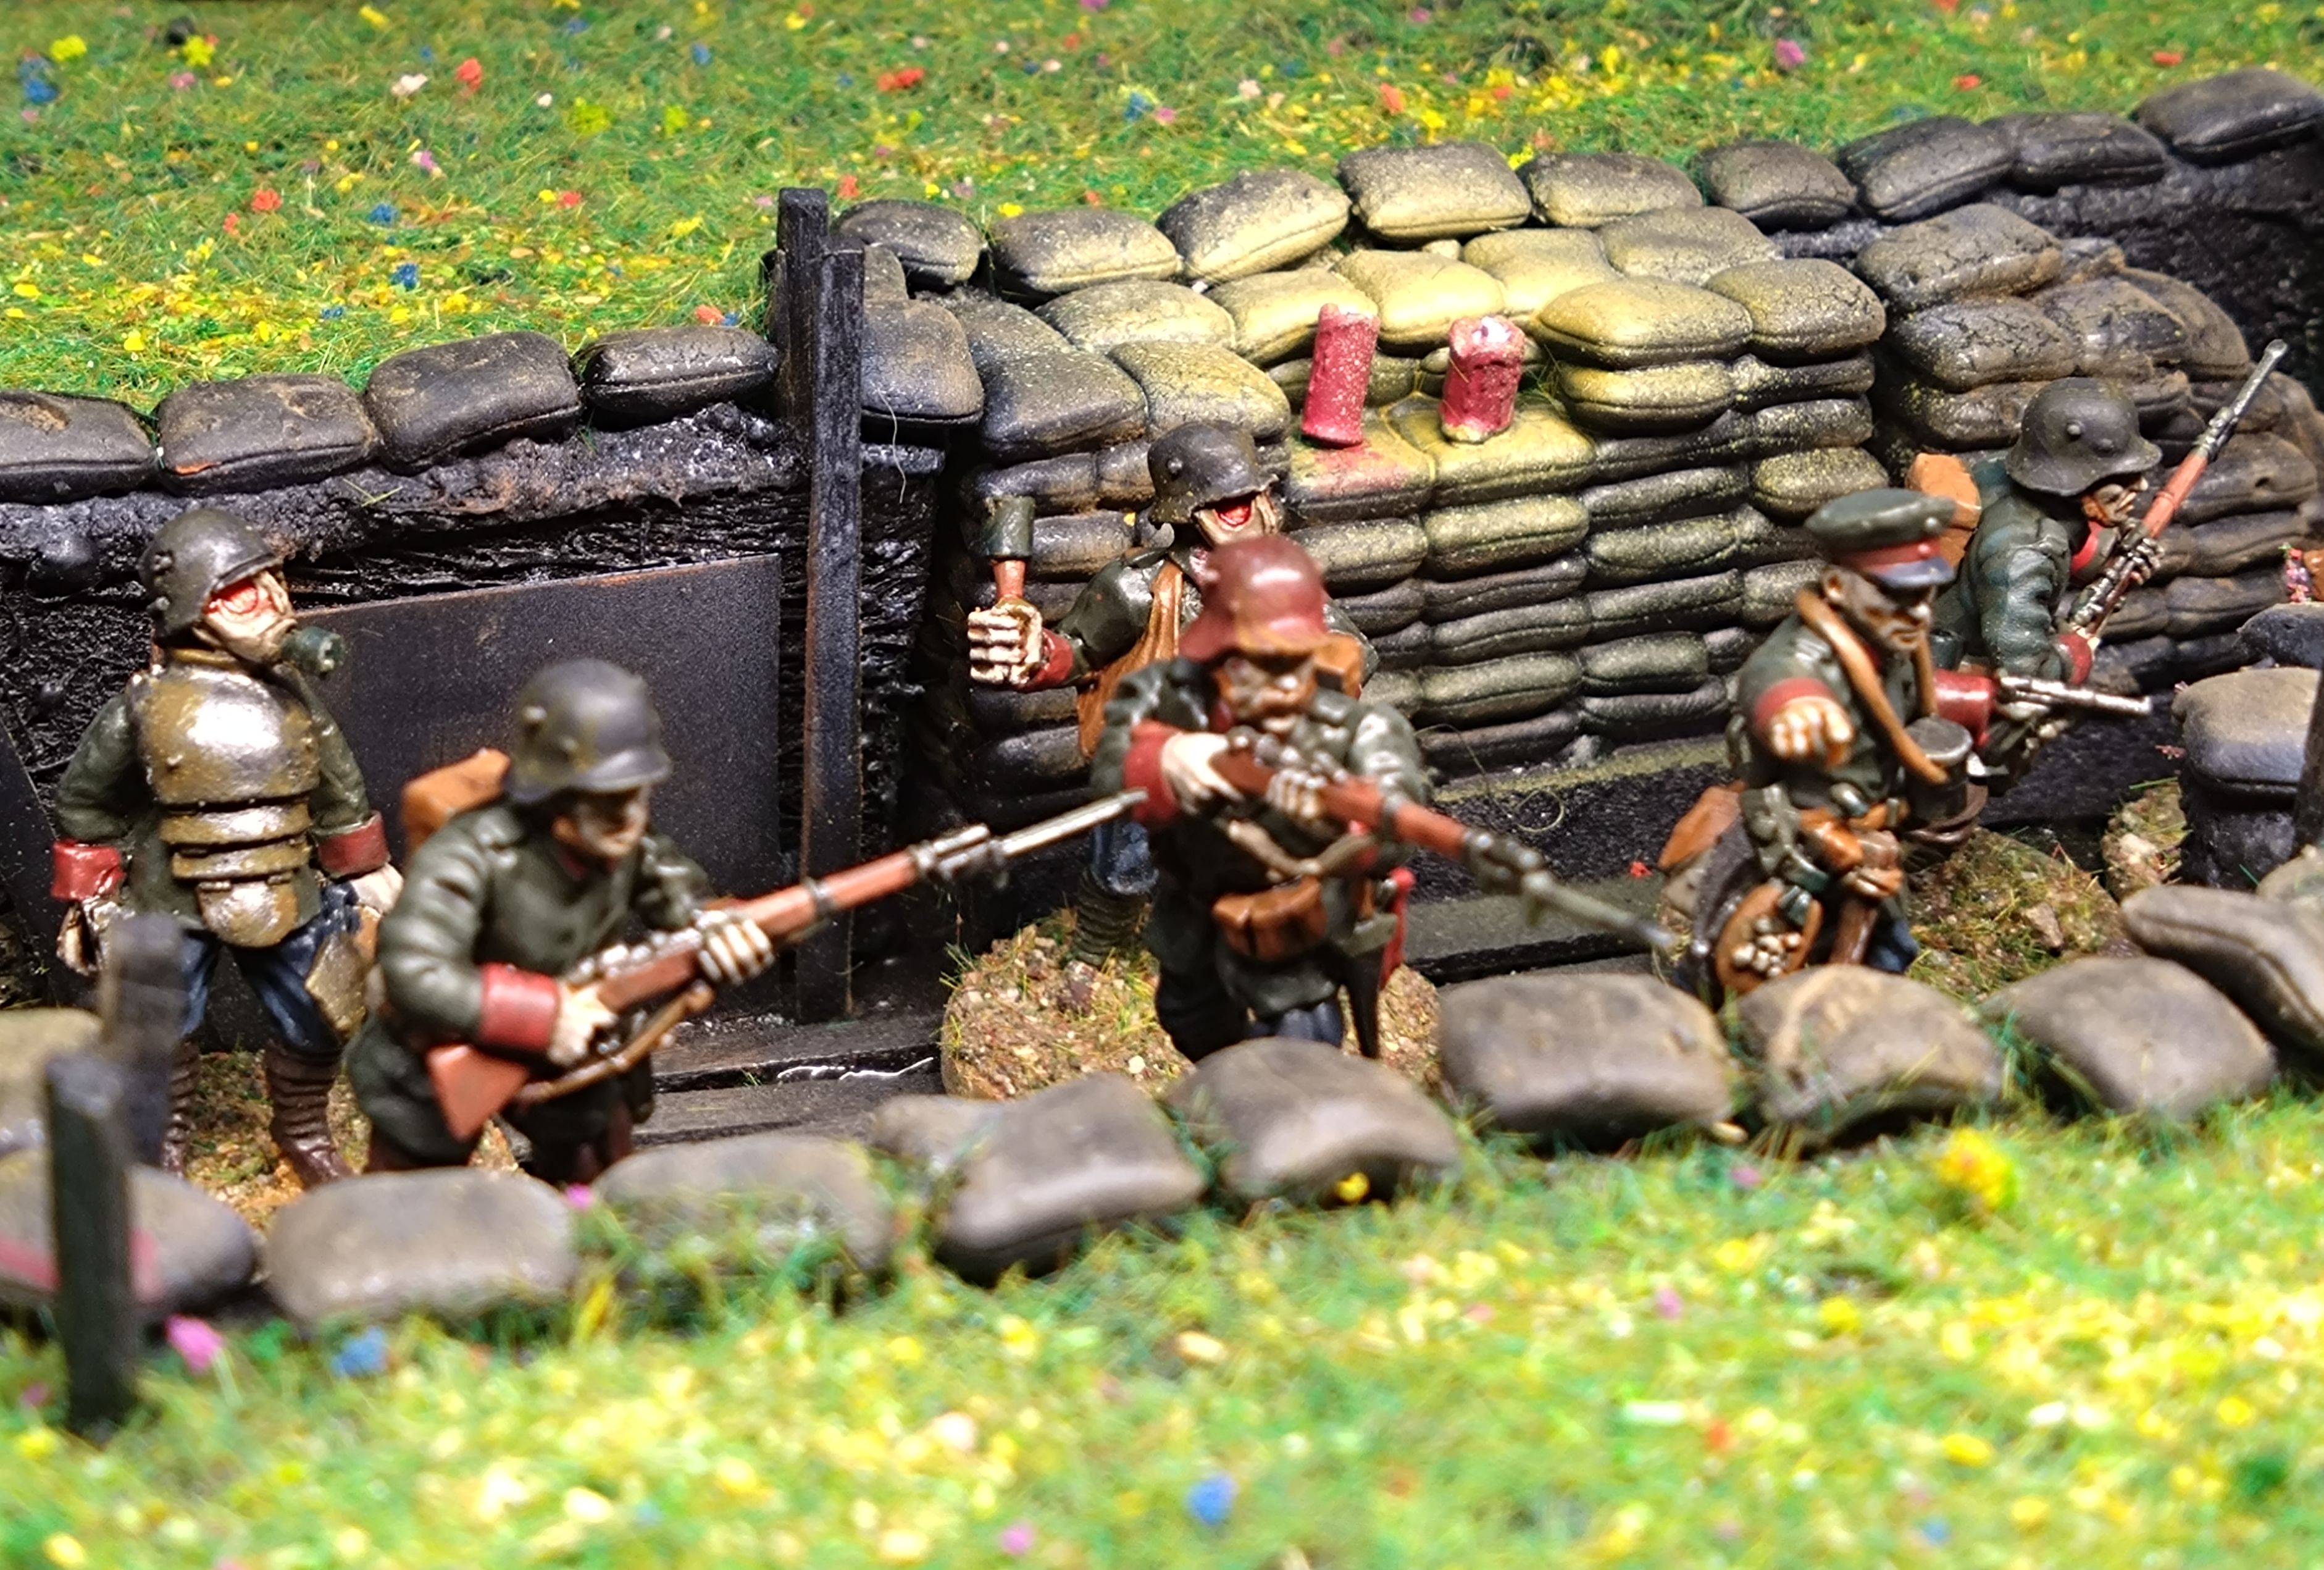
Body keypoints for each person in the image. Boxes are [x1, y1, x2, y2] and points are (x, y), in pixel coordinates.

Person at [49, 506, 400, 1188]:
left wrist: (363, 864)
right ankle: (165, 1138)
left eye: (275, 584)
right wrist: (90, 897)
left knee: (324, 1008)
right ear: (192, 608)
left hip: (287, 885)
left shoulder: (292, 696)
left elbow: (337, 785)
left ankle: (302, 1129)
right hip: (168, 894)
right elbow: (87, 802)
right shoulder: (143, 706)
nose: (273, 604)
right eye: (244, 592)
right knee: (154, 1022)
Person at [346, 659, 775, 1183]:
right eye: (606, 799)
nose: (628, 817)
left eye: (636, 793)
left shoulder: (626, 842)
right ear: (555, 793)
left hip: (578, 1046)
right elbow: (415, 971)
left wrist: (721, 929)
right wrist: (544, 1015)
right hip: (442, 1045)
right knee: (411, 1193)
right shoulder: (470, 854)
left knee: (598, 1173)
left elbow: (683, 899)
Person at [966, 423, 1373, 973]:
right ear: (1191, 512)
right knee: (1122, 868)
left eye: (1251, 498)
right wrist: (1033, 653)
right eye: (1230, 504)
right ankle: (1092, 954)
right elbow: (1080, 652)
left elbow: (1352, 652)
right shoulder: (1137, 588)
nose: (1248, 513)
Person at [1087, 535, 1425, 1059]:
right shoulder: (1165, 693)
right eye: (1248, 660)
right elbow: (1109, 768)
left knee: (1302, 1046)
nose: (1274, 681)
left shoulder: (1357, 727)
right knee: (1190, 1021)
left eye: (1288, 661)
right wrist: (1168, 759)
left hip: (1288, 923)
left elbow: (1397, 824)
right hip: (1195, 912)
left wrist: (1335, 818)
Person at [1694, 489, 1980, 998]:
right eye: (1896, 594)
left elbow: (1913, 708)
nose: (1918, 613)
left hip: (1869, 842)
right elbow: (1775, 676)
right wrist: (1794, 706)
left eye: (1925, 594)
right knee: (1733, 962)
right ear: (1836, 587)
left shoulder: (1895, 644)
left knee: (1886, 953)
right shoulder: (1808, 652)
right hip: (1796, 843)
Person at [1931, 377, 2160, 682]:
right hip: (1960, 676)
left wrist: (2117, 553)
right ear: (2075, 481)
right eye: (2122, 478)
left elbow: (2067, 530)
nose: (2142, 486)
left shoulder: (1999, 474)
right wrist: (2073, 657)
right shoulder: (2025, 551)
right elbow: (2026, 672)